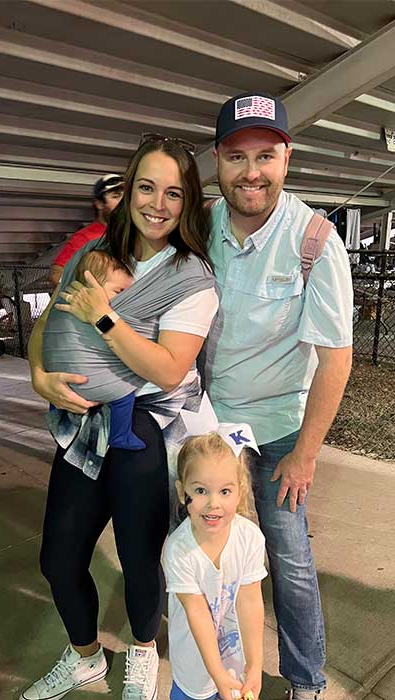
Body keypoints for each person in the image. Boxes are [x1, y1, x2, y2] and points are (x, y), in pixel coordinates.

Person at [22, 134, 219, 700]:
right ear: (129, 190)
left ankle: (139, 651)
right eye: (147, 187)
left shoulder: (191, 277)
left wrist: (104, 316)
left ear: (189, 204)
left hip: (141, 430)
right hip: (82, 430)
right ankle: (85, 658)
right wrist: (39, 374)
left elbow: (167, 367)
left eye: (174, 193)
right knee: (59, 560)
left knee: (139, 561)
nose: (158, 203)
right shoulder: (96, 253)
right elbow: (47, 326)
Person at [202, 92, 353, 700]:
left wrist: (306, 454)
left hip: (282, 430)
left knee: (288, 559)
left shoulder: (314, 240)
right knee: (210, 552)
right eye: (237, 157)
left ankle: (305, 680)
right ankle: (216, 663)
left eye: (266, 155)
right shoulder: (201, 226)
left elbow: (336, 360)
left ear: (287, 157)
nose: (251, 172)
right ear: (218, 160)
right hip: (211, 429)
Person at [162, 422, 267, 700]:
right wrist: (216, 673)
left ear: (240, 491)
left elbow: (250, 601)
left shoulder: (250, 538)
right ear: (182, 490)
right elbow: (196, 613)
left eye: (224, 491)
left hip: (236, 663)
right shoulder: (178, 550)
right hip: (195, 665)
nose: (213, 504)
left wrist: (255, 664)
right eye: (200, 491)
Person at [48, 173, 124, 288]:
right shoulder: (86, 237)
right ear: (99, 204)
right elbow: (56, 274)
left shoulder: (132, 234)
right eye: (116, 196)